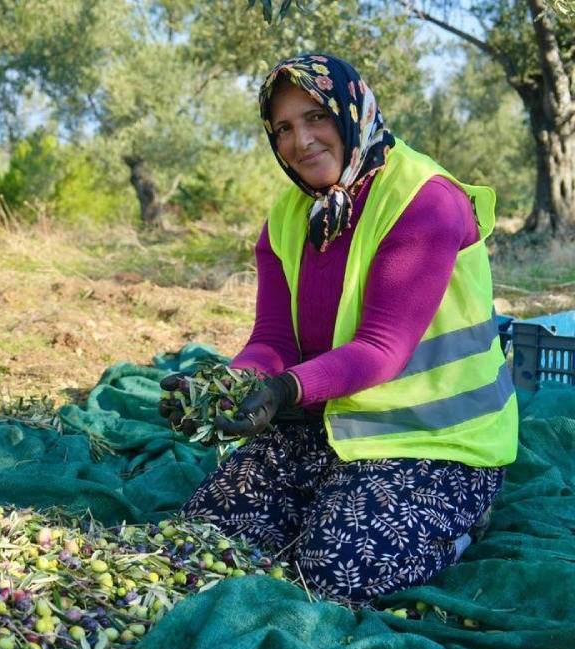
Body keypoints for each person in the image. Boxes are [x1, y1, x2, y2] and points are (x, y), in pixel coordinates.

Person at [160, 54, 517, 604]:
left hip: (437, 440)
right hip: (329, 428)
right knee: (205, 538)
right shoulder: (287, 217)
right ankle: (333, 496)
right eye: (282, 128)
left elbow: (382, 348)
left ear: (351, 113)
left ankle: (465, 521)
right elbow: (272, 341)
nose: (299, 141)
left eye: (315, 117)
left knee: (333, 572)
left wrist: (284, 390)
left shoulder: (422, 201)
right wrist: (222, 387)